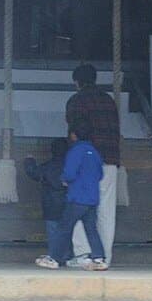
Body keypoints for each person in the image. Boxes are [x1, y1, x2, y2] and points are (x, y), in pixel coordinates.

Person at [65, 62, 124, 265]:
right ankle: (103, 256)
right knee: (106, 211)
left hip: (87, 162)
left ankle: (83, 254)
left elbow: (77, 131)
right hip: (110, 161)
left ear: (77, 82)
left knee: (80, 206)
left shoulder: (77, 100)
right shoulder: (109, 101)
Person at [35, 132, 107, 270]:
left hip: (77, 196)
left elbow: (69, 173)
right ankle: (99, 258)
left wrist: (64, 179)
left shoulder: (76, 151)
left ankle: (54, 258)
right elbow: (100, 174)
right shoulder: (94, 152)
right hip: (92, 197)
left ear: (74, 135)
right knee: (91, 228)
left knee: (64, 227)